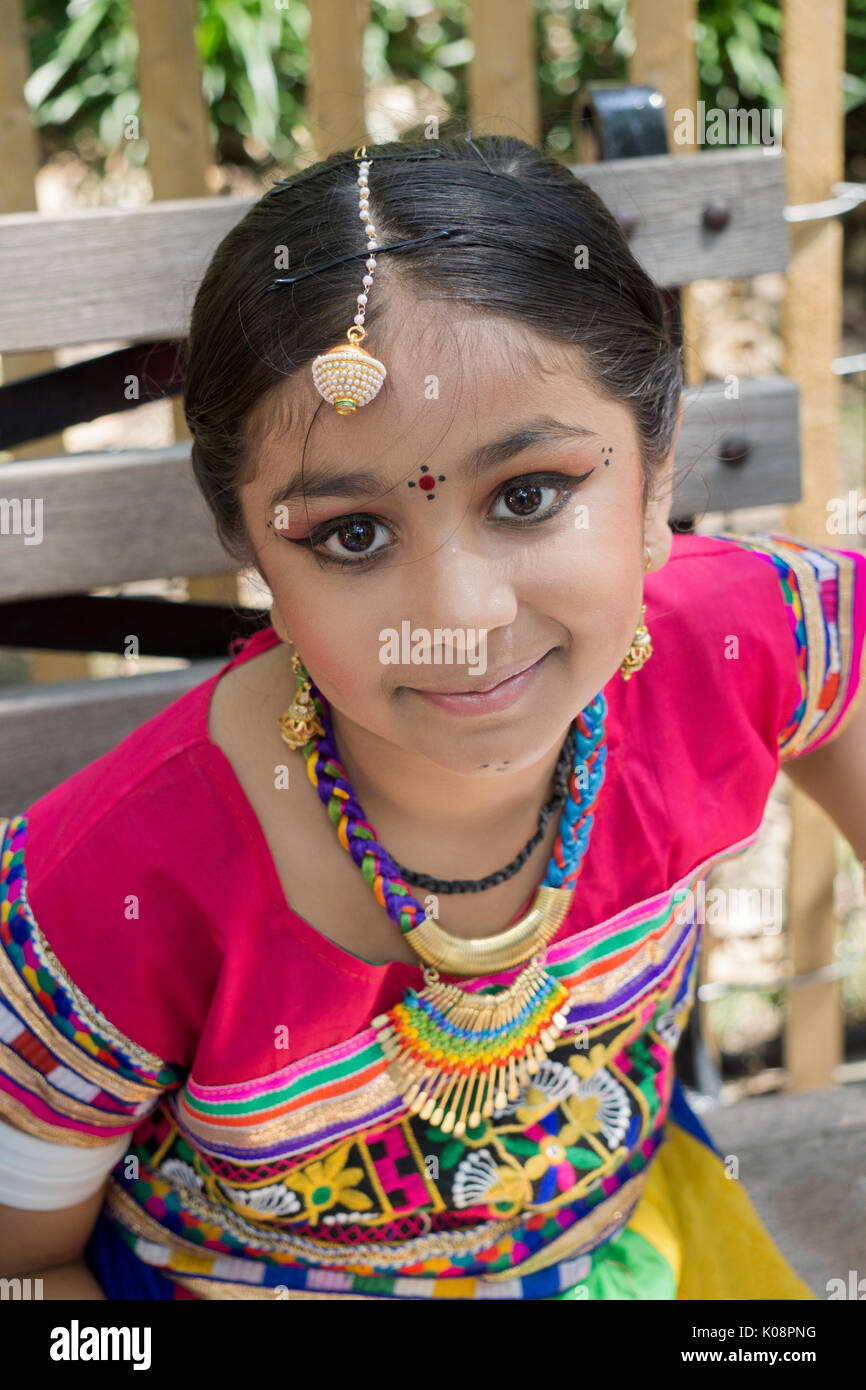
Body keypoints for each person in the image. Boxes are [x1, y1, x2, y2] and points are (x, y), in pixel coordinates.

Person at [1, 127, 864, 1301]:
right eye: (351, 535)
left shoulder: (729, 645)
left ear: (656, 480)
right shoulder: (98, 890)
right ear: (256, 550)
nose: (457, 618)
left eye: (528, 493)